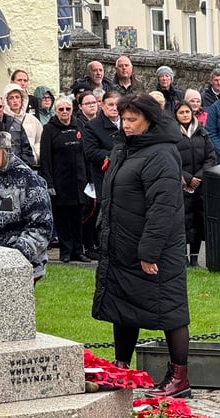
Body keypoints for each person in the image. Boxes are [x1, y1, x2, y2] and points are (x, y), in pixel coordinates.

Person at [92, 93, 191, 399]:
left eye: (133, 119)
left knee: (170, 309)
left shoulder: (161, 153)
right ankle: (121, 369)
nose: (127, 124)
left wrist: (148, 251)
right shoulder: (124, 147)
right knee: (122, 308)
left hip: (155, 248)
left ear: (150, 119)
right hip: (122, 245)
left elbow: (163, 206)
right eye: (123, 119)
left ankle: (179, 378)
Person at [39, 94, 92, 263]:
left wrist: (89, 180)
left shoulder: (79, 127)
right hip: (60, 182)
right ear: (56, 111)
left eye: (67, 109)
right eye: (61, 109)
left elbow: (86, 155)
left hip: (79, 182)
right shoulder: (49, 129)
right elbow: (45, 159)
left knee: (78, 219)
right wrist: (49, 183)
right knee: (63, 220)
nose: (64, 112)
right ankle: (65, 251)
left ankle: (78, 250)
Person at [0, 128, 53, 283]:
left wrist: (13, 258)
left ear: (5, 150)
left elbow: (42, 227)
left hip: (21, 265)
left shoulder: (28, 179)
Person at [174, 102, 215, 267]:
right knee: (182, 220)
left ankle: (195, 258)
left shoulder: (202, 133)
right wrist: (187, 178)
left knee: (198, 220)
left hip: (199, 185)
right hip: (181, 184)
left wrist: (199, 177)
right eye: (181, 112)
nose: (185, 115)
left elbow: (211, 157)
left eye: (187, 112)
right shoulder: (172, 134)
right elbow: (171, 159)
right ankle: (182, 256)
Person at [82, 90, 120, 259]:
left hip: (125, 176)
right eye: (110, 104)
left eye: (117, 105)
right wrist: (114, 156)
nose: (114, 108)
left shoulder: (128, 122)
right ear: (102, 106)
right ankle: (97, 245)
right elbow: (90, 152)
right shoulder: (93, 126)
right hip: (103, 176)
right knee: (103, 213)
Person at [3, 83, 42, 167]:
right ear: (6, 101)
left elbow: (40, 140)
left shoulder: (32, 119)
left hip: (31, 165)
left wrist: (36, 154)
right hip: (9, 165)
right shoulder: (3, 120)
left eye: (17, 97)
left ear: (22, 99)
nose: (15, 100)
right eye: (11, 98)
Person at [0, 95, 34, 167]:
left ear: (3, 107)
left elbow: (27, 151)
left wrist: (22, 169)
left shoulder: (16, 124)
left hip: (15, 171)